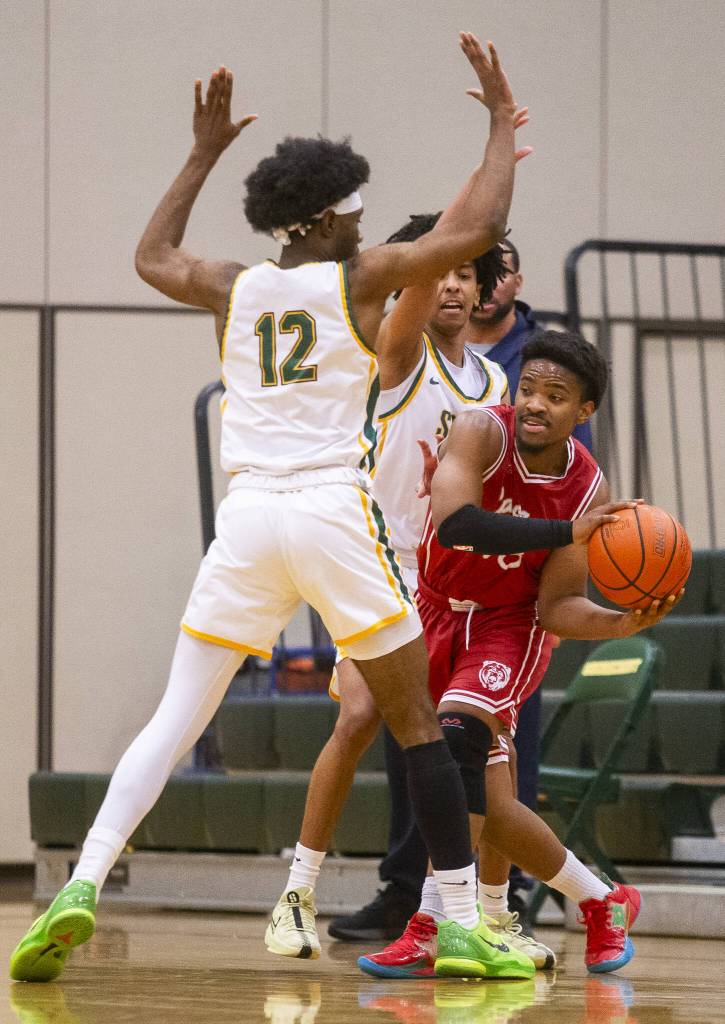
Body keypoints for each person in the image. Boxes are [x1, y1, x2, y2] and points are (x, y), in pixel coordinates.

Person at [10, 33, 541, 985]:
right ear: (332, 217)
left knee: (175, 716)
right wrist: (502, 124)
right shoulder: (358, 277)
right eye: (359, 213)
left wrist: (202, 153)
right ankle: (460, 920)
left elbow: (150, 254)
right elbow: (476, 231)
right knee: (417, 721)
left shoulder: (233, 284)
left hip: (246, 522)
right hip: (332, 514)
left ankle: (80, 881)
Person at [359, 330, 682, 978]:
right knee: (494, 807)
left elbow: (556, 604)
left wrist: (617, 623)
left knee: (453, 742)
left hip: (508, 626)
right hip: (433, 609)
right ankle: (602, 900)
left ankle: (432, 922)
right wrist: (564, 530)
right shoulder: (480, 431)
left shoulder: (588, 489)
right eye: (529, 388)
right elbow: (455, 524)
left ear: (583, 412)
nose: (535, 403)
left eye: (555, 396)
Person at [265, 212, 516, 957]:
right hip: (380, 561)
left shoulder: (496, 381)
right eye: (439, 268)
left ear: (482, 291)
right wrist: (463, 210)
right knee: (358, 716)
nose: (448, 282)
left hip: (454, 577)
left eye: (465, 273)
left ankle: (476, 913)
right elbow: (415, 274)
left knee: (472, 742)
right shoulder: (401, 354)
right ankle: (297, 892)